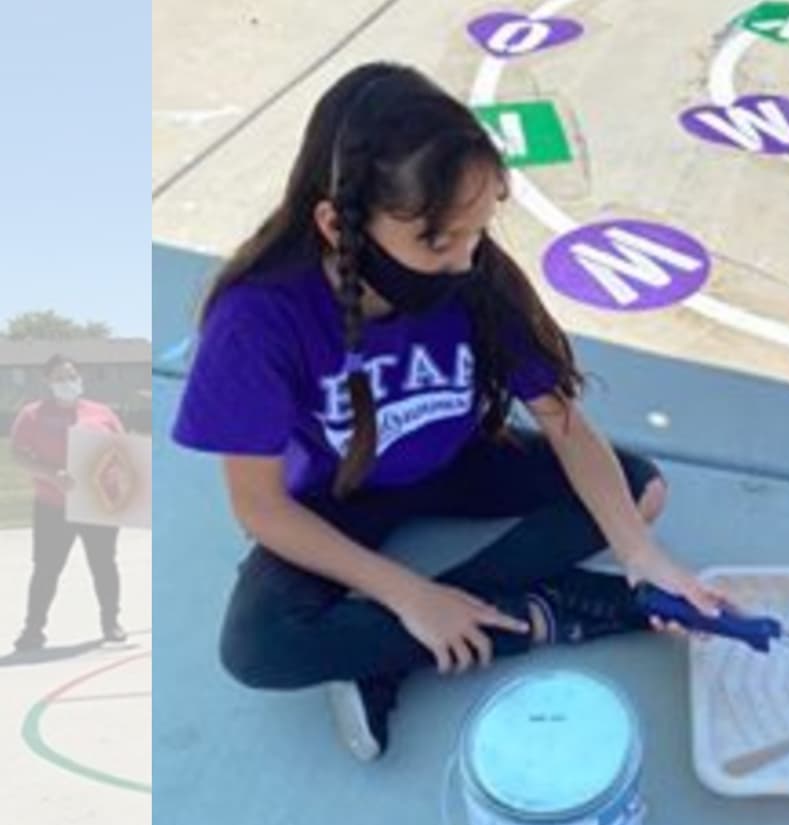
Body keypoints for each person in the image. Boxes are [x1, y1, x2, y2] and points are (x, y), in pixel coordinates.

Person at [172, 62, 724, 761]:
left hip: (458, 460)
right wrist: (402, 590)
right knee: (259, 646)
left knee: (638, 488)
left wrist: (643, 557)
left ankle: (399, 647)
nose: (465, 260)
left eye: (478, 231)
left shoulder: (474, 272)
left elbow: (562, 421)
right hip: (334, 498)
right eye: (436, 242)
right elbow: (259, 509)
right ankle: (536, 615)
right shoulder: (258, 317)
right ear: (338, 227)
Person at [9, 355, 129, 651]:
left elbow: (122, 452)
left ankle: (111, 622)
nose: (69, 382)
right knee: (47, 568)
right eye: (60, 377)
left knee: (104, 565)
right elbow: (18, 455)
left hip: (96, 504)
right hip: (53, 505)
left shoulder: (101, 413)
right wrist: (51, 475)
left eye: (72, 375)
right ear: (48, 382)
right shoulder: (32, 415)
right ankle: (33, 629)